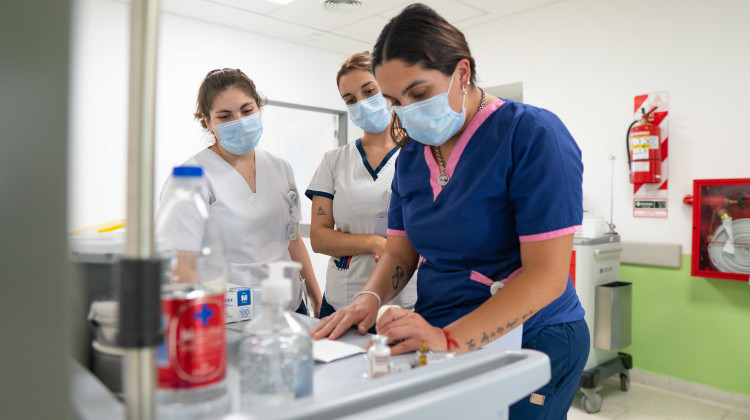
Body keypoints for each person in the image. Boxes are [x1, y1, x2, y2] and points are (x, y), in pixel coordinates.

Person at [311, 4, 588, 418]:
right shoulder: (411, 157)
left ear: (462, 73)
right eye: (394, 100)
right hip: (439, 330)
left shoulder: (532, 135)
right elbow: (402, 251)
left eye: (419, 93)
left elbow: (546, 275)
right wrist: (370, 297)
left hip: (532, 335)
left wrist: (450, 340)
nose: (406, 109)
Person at [158, 68, 322, 317]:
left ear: (259, 107)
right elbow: (180, 261)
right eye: (225, 116)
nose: (240, 121)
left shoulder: (280, 167)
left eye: (247, 111)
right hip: (229, 312)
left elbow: (292, 238)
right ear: (207, 121)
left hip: (289, 304)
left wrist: (315, 297)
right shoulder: (192, 177)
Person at [306, 52, 417, 321]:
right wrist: (373, 243)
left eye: (369, 91)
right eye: (351, 100)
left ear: (388, 90)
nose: (362, 104)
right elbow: (319, 238)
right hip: (342, 299)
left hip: (404, 303)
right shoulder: (334, 161)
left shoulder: (419, 154)